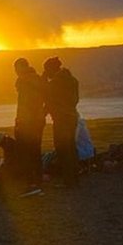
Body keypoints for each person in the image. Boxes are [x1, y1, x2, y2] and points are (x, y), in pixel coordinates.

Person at [43, 56, 80, 188]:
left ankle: (68, 181)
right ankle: (75, 177)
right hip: (72, 117)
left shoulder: (55, 83)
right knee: (71, 147)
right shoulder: (73, 80)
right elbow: (75, 100)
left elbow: (48, 101)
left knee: (62, 149)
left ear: (51, 68)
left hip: (61, 119)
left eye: (46, 69)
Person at [13, 57, 46, 197]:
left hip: (29, 123)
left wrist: (20, 121)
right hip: (38, 121)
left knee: (26, 152)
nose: (15, 72)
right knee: (35, 151)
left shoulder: (25, 82)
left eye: (16, 69)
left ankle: (31, 184)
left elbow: (25, 105)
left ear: (21, 68)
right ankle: (37, 181)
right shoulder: (37, 79)